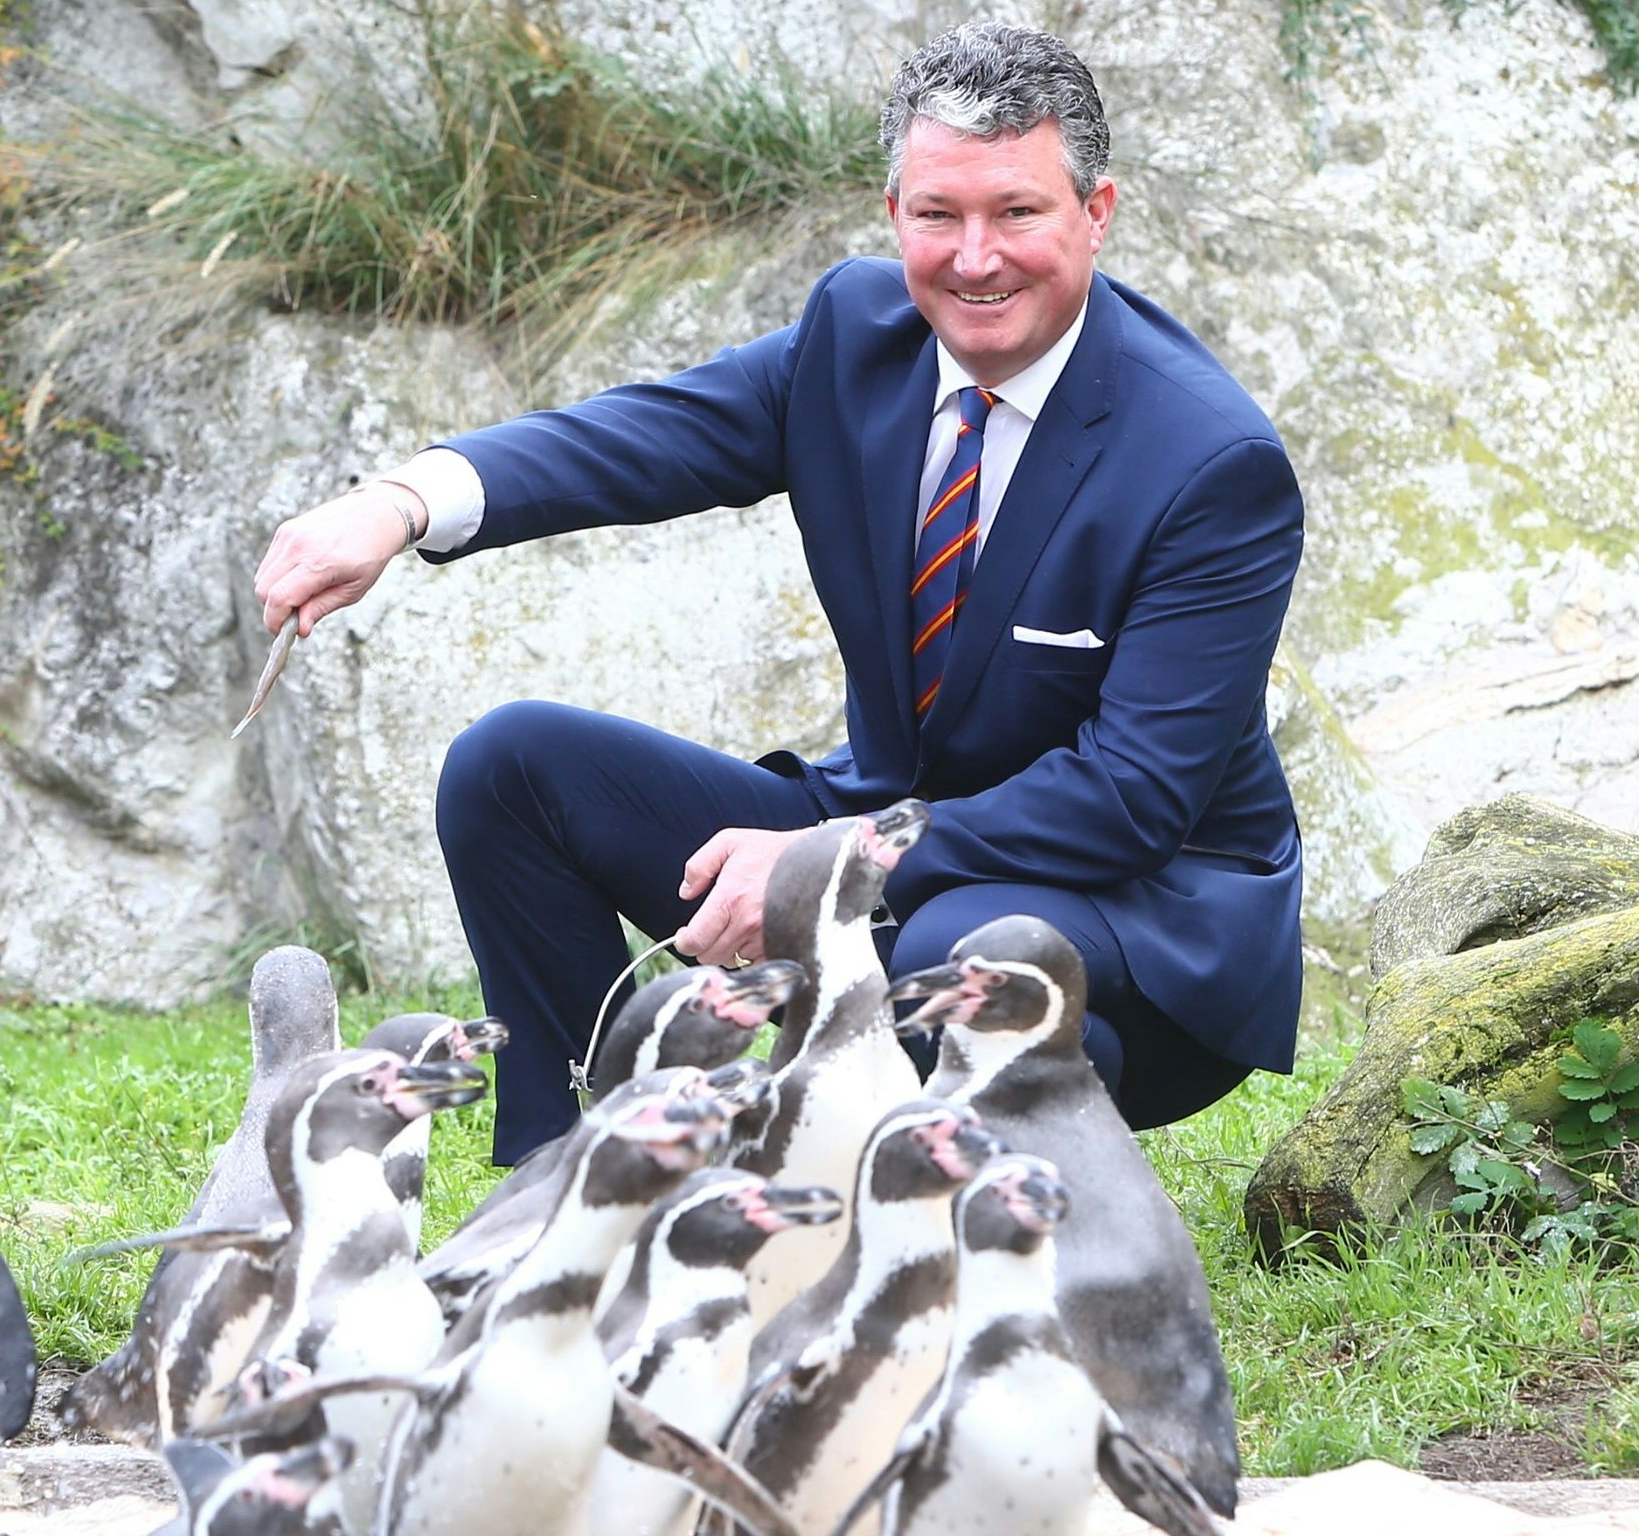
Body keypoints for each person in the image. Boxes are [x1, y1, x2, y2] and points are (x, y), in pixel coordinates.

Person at [252, 22, 1305, 1166]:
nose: (975, 257)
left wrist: (823, 867)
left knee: (955, 942)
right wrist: (401, 501)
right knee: (512, 769)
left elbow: (1131, 796)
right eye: (937, 215)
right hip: (885, 857)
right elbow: (643, 437)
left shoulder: (1208, 462)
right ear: (893, 212)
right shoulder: (856, 336)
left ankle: (939, 1174)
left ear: (1094, 212)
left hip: (1136, 923)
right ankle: (573, 1182)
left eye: (1017, 212)